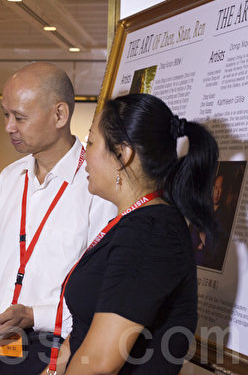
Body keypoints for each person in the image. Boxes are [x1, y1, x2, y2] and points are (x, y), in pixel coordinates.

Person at [0, 62, 116, 374]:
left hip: (58, 347)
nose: (9, 127)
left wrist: (34, 315)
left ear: (60, 115)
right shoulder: (10, 177)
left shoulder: (95, 185)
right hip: (0, 342)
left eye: (19, 117)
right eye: (5, 115)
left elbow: (100, 287)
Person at [60, 93, 218, 374]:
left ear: (123, 154)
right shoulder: (135, 223)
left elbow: (99, 361)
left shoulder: (152, 233)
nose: (85, 154)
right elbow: (85, 331)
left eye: (91, 142)